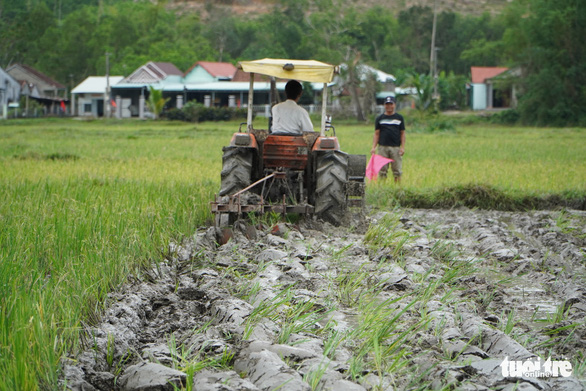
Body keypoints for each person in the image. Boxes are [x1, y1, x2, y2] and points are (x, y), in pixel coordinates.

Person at [370, 96, 406, 183]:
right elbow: (376, 134)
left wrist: (402, 147)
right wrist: (373, 147)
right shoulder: (380, 119)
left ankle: (397, 189)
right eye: (387, 104)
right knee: (382, 171)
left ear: (394, 105)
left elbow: (402, 133)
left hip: (396, 148)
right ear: (384, 105)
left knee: (397, 171)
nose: (389, 106)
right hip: (383, 148)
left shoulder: (399, 118)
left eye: (391, 104)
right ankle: (382, 189)